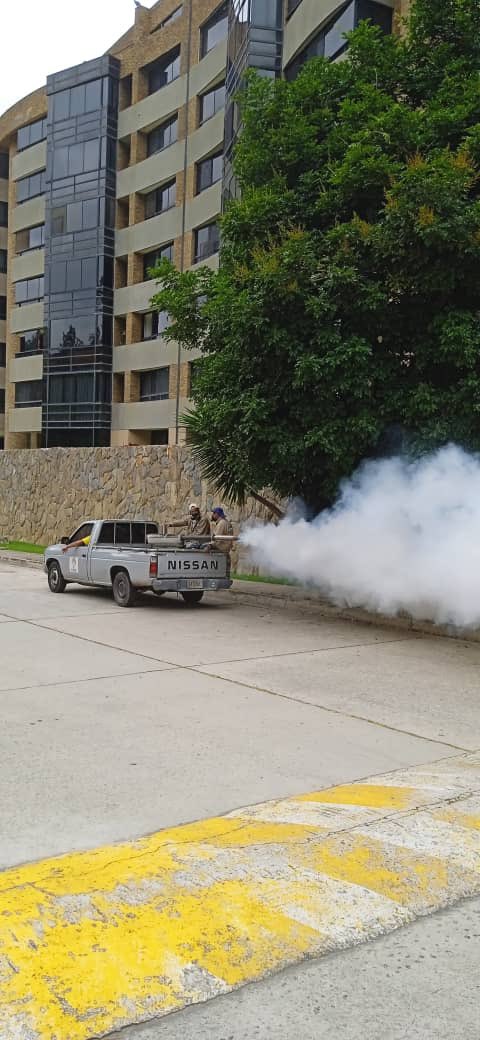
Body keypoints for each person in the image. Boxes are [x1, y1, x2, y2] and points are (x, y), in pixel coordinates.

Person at [210, 507, 234, 572]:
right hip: (225, 554)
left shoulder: (222, 523)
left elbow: (217, 539)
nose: (212, 515)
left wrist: (209, 545)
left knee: (221, 574)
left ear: (217, 514)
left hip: (221, 554)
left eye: (213, 513)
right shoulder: (226, 522)